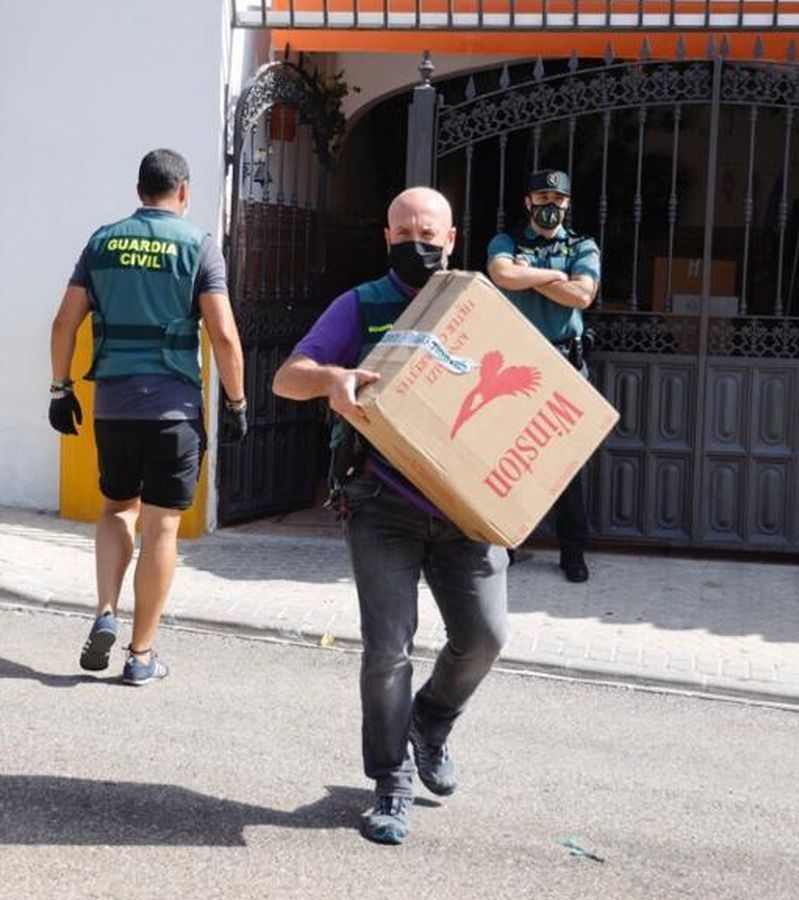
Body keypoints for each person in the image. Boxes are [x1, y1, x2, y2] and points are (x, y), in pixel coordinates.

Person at [271, 187, 509, 845]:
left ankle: (432, 720)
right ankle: (391, 782)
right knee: (387, 650)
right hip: (383, 503)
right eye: (403, 231)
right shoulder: (362, 304)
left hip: (468, 508)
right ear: (386, 238)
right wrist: (331, 380)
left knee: (486, 637)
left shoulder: (479, 308)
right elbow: (286, 378)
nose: (416, 242)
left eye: (428, 231)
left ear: (453, 238)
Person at [48, 149, 248, 686]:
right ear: (183, 191)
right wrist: (236, 401)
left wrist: (59, 387)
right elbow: (224, 335)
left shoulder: (102, 242)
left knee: (116, 510)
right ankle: (141, 655)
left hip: (113, 406)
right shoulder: (199, 246)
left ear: (140, 190)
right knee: (161, 526)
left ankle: (106, 610)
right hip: (173, 409)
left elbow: (65, 321)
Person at [485, 168, 601, 583]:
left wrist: (532, 277)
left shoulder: (582, 244)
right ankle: (507, 546)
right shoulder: (507, 241)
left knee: (565, 467)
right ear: (528, 202)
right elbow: (502, 275)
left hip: (566, 367)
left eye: (557, 200)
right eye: (542, 198)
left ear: (567, 203)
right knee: (511, 461)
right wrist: (557, 276)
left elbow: (583, 295)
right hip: (518, 367)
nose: (550, 206)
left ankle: (573, 554)